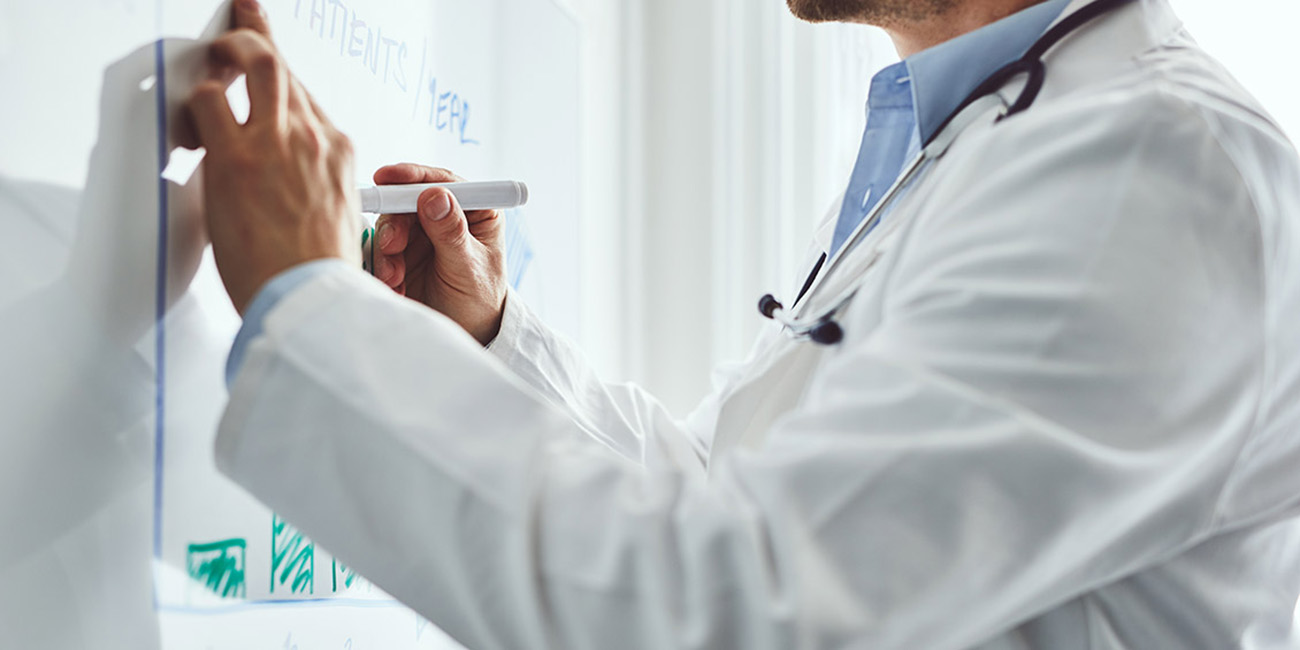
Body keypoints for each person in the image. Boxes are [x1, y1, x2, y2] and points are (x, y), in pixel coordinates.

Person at [191, 0, 1300, 647]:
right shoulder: (981, 132)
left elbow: (735, 603)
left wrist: (310, 303)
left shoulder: (1144, 163)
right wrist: (487, 339)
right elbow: (738, 499)